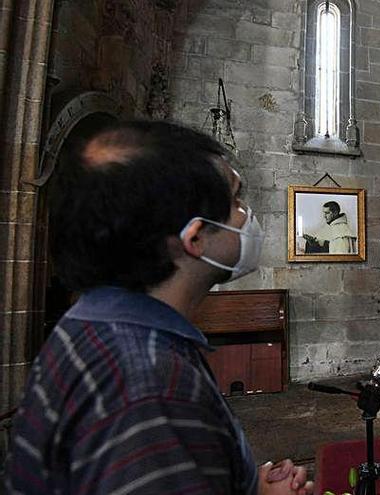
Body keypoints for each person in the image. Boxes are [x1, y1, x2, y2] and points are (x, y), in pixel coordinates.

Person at [4, 121, 314, 495]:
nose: (247, 215)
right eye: (234, 202)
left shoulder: (98, 322)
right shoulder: (150, 386)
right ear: (195, 237)